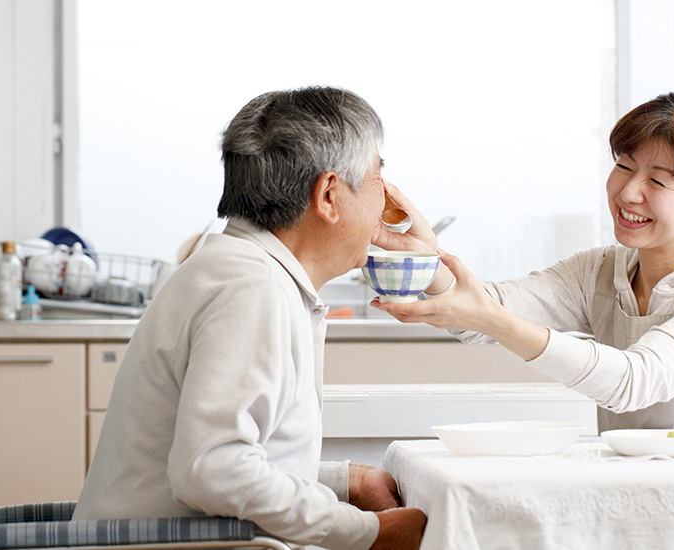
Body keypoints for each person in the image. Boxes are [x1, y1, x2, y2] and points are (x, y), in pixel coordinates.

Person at [73, 87, 426, 550]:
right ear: (329, 195)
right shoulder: (253, 289)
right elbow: (214, 471)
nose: (386, 201)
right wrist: (368, 533)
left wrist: (346, 481)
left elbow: (223, 461)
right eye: (380, 176)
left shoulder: (237, 269)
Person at [373, 91, 674, 431]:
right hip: (633, 485)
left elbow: (631, 381)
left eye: (656, 180)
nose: (629, 192)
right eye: (624, 166)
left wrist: (491, 319)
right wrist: (426, 261)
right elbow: (486, 314)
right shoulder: (600, 271)